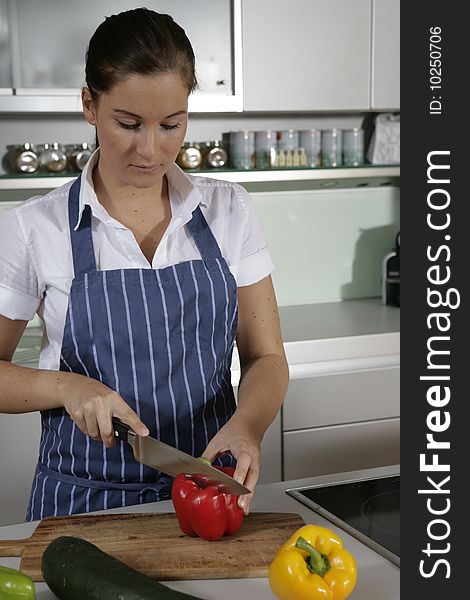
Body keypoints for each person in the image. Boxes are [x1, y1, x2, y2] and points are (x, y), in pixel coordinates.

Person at [0, 8, 289, 521]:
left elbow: (266, 356)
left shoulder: (229, 209)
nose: (151, 150)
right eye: (128, 124)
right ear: (90, 104)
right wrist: (67, 386)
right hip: (80, 502)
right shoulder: (33, 227)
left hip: (207, 492)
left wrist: (249, 424)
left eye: (171, 125)